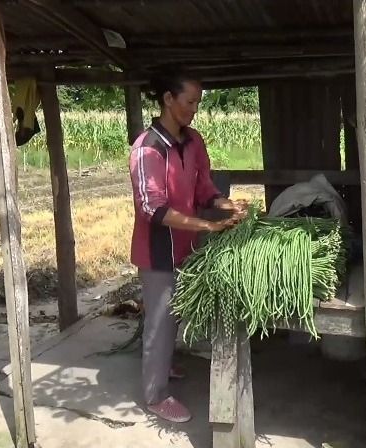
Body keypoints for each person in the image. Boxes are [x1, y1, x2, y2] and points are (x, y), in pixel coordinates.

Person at [128, 67, 246, 423]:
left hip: (187, 245)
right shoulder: (146, 148)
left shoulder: (193, 141)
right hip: (158, 250)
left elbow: (203, 187)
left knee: (175, 313)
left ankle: (165, 364)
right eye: (189, 101)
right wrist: (206, 223)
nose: (194, 108)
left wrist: (225, 204)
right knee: (160, 321)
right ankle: (155, 395)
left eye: (198, 102)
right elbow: (152, 208)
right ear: (168, 99)